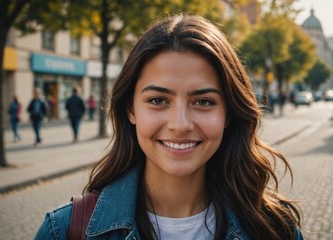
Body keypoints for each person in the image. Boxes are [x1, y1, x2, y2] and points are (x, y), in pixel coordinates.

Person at [35, 15, 304, 240]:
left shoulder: (275, 229)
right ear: (131, 109)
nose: (180, 125)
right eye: (158, 100)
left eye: (203, 101)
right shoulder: (63, 231)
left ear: (229, 114)